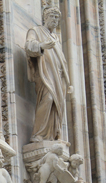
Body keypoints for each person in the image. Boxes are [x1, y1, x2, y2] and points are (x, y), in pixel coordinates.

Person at [25, 6, 72, 142]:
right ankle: (38, 133)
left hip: (58, 77)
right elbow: (29, 45)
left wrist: (67, 81)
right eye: (53, 17)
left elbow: (62, 60)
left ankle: (52, 135)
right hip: (45, 73)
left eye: (57, 18)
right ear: (45, 17)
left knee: (57, 105)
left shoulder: (55, 39)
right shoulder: (36, 31)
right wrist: (42, 46)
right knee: (48, 98)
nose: (55, 20)